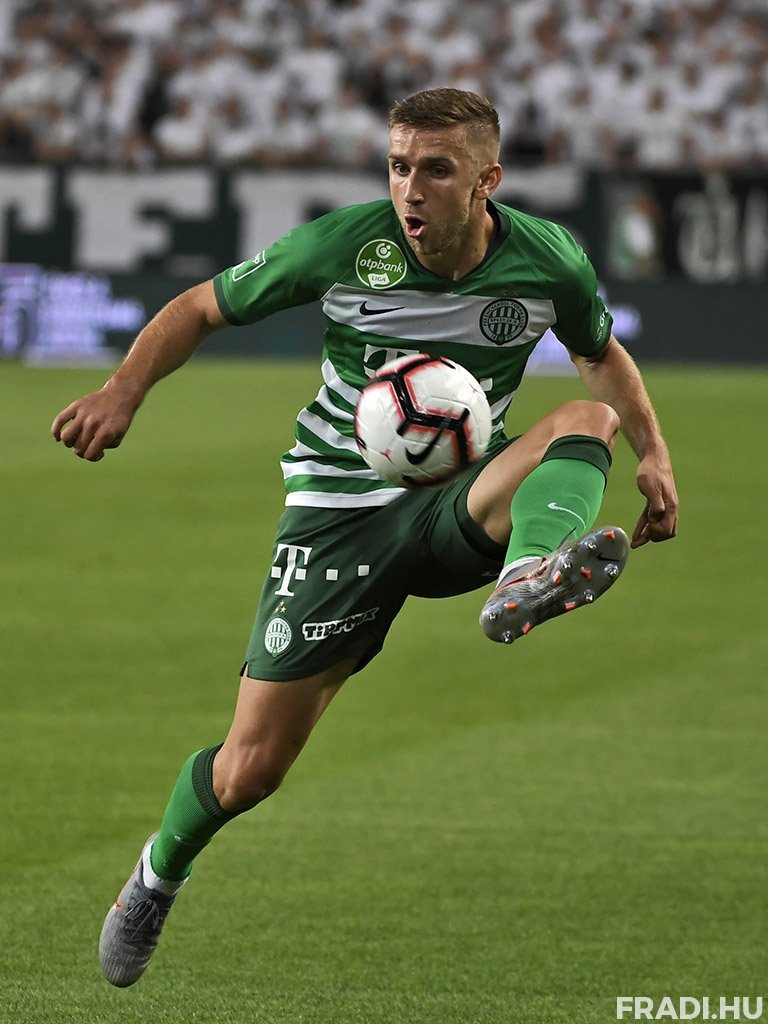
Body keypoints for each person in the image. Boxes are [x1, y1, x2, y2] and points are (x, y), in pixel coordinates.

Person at [51, 88, 678, 988]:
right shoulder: (347, 246)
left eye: (435, 169)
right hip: (338, 514)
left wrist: (655, 451)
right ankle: (156, 875)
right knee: (250, 770)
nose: (410, 189)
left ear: (487, 180)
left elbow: (598, 354)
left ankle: (529, 568)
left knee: (583, 417)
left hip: (459, 494)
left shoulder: (548, 263)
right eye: (397, 166)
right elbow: (198, 305)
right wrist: (123, 390)